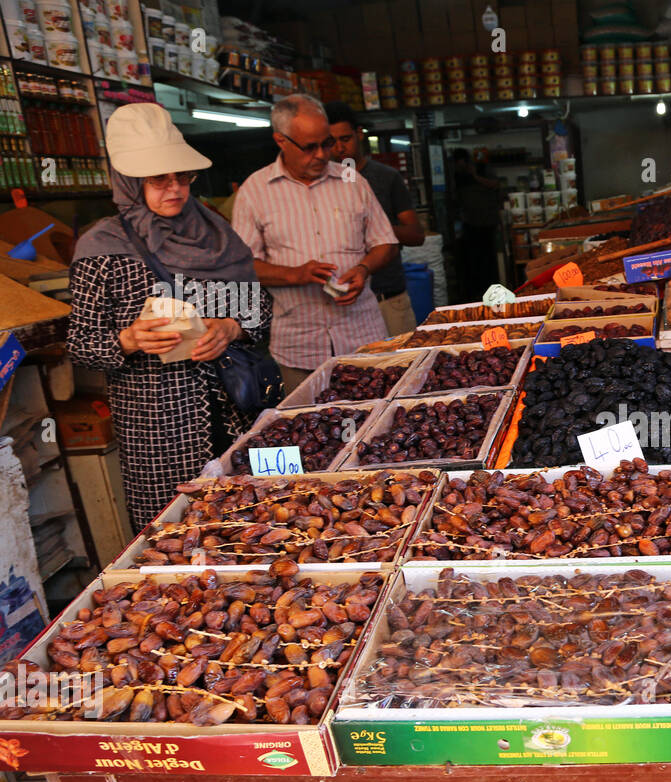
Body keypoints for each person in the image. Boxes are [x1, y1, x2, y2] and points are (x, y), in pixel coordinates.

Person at [68, 103, 273, 533]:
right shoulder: (100, 247)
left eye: (183, 176)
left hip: (238, 411)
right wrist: (128, 339)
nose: (175, 188)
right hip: (159, 435)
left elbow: (260, 307)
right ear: (129, 181)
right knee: (178, 538)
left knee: (264, 524)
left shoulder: (214, 231)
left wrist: (231, 327)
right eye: (159, 179)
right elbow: (81, 344)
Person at [232, 93, 398, 393]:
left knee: (379, 427)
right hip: (299, 348)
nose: (322, 154)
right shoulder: (254, 192)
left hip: (363, 339)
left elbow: (386, 242)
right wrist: (295, 274)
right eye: (310, 147)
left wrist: (363, 268)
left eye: (327, 143)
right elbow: (242, 268)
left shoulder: (353, 181)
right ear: (281, 141)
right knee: (308, 431)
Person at [324, 101, 426, 336]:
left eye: (345, 139)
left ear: (359, 134)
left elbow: (416, 235)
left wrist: (375, 225)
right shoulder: (320, 184)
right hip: (340, 302)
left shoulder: (386, 177)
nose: (339, 147)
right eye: (331, 142)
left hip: (387, 297)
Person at [451, 148, 502, 300]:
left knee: (489, 260)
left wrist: (475, 175)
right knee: (473, 262)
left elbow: (494, 184)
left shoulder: (482, 169)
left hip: (487, 224)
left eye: (462, 162)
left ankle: (492, 292)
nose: (460, 165)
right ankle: (476, 294)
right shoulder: (457, 176)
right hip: (470, 225)